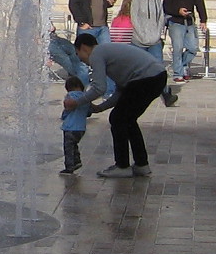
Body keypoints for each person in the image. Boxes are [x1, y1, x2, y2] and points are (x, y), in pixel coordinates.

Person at [64, 34, 167, 178]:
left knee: (118, 119)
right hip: (156, 77)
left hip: (147, 79)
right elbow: (121, 90)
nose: (80, 59)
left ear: (84, 48)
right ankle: (141, 165)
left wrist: (77, 102)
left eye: (78, 54)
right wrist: (100, 108)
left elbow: (99, 88)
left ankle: (122, 165)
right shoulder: (107, 52)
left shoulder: (97, 54)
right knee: (127, 120)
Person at [131, 0, 178, 107]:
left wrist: (157, 34)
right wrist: (143, 36)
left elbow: (160, 18)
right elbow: (135, 19)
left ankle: (165, 94)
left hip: (155, 41)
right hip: (139, 41)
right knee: (138, 70)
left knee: (158, 68)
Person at [163, 0, 208, 83]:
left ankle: (181, 67)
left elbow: (199, 1)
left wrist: (203, 19)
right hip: (176, 22)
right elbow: (166, 6)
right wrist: (177, 11)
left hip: (189, 21)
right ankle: (178, 73)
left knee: (193, 48)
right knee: (177, 48)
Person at [60, 76, 90, 175]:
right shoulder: (86, 97)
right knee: (74, 145)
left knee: (68, 147)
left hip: (70, 127)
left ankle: (69, 167)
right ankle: (76, 161)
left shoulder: (70, 95)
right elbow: (89, 112)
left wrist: (63, 116)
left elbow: (67, 108)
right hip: (81, 128)